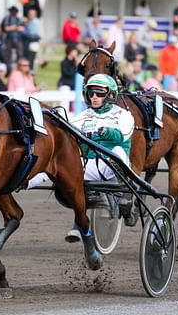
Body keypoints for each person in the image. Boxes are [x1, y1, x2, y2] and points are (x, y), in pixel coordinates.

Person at [27, 74, 135, 241]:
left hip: (113, 165)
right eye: (91, 93)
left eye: (99, 93)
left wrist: (105, 132)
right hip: (89, 165)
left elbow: (123, 135)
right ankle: (24, 181)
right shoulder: (82, 116)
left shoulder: (123, 115)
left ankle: (121, 186)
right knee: (51, 167)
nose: (94, 97)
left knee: (118, 152)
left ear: (110, 95)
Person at [1, 5, 25, 71]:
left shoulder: (19, 19)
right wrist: (12, 27)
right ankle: (8, 69)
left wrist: (17, 28)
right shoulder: (7, 19)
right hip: (9, 39)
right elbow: (4, 28)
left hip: (18, 38)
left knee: (20, 54)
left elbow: (23, 28)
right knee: (8, 55)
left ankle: (20, 68)